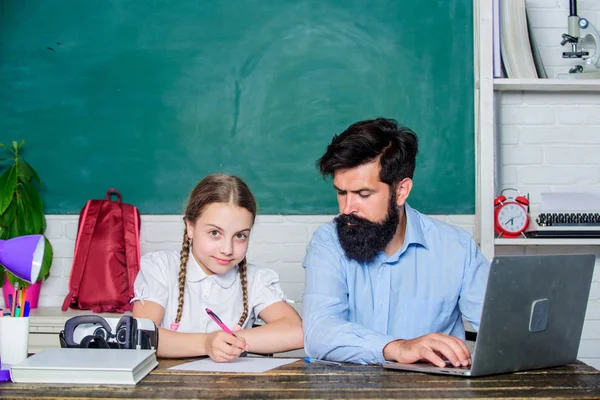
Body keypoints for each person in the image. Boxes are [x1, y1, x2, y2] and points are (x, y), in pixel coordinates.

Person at [302, 118, 489, 366]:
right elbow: (318, 332)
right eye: (341, 192)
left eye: (363, 194)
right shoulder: (327, 243)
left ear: (401, 191)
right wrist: (397, 348)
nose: (347, 208)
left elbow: (501, 331)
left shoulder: (457, 248)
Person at [133, 173, 303, 361]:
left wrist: (228, 341)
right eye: (215, 233)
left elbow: (297, 331)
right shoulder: (161, 268)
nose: (227, 249)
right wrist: (207, 343)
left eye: (240, 236)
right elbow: (142, 335)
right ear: (190, 227)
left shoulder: (256, 279)